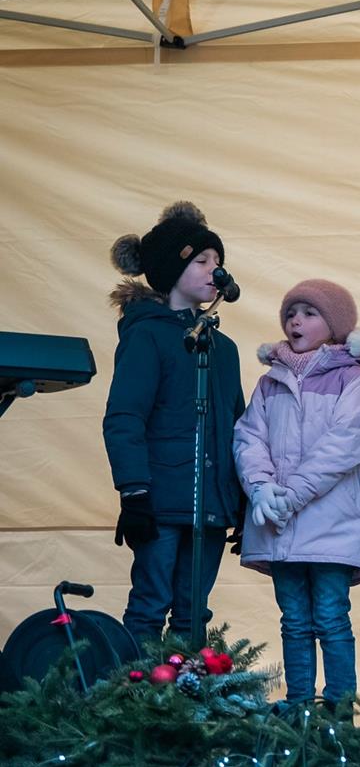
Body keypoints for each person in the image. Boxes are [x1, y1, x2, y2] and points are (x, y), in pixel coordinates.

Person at [103, 201, 244, 646]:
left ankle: (187, 688)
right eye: (201, 260)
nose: (213, 270)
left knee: (192, 613)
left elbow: (239, 428)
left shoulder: (223, 349)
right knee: (149, 604)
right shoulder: (147, 335)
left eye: (217, 261)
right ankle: (137, 687)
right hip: (161, 501)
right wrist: (134, 492)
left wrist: (242, 498)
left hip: (212, 504)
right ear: (170, 268)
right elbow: (125, 416)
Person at [234, 279, 360, 704]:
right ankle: (298, 709)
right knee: (294, 620)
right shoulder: (270, 382)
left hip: (332, 523)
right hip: (279, 524)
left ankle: (338, 713)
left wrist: (290, 495)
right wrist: (261, 489)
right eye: (291, 314)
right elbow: (248, 438)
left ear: (335, 324)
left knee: (331, 618)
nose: (295, 321)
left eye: (309, 313)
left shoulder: (353, 378)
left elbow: (345, 444)